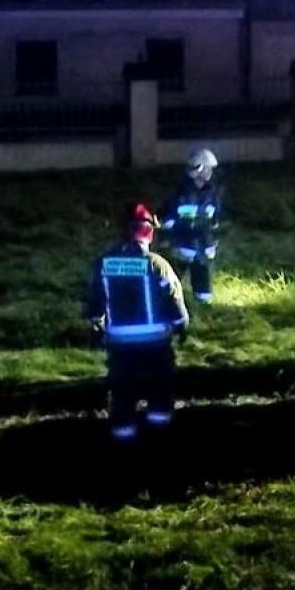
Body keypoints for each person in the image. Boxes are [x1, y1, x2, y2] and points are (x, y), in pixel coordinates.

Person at [85, 203, 189, 441]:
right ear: (149, 232)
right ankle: (160, 429)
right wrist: (182, 323)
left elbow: (96, 299)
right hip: (156, 342)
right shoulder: (156, 264)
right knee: (160, 385)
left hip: (119, 342)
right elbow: (172, 295)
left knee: (122, 388)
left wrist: (95, 325)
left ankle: (123, 433)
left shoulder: (104, 263)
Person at [161, 147, 223, 305]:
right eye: (207, 168)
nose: (209, 172)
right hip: (183, 245)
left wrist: (213, 238)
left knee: (203, 282)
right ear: (198, 169)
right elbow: (167, 218)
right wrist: (168, 240)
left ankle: (202, 306)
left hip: (204, 246)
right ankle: (166, 304)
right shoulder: (180, 193)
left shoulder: (213, 192)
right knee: (171, 279)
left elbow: (216, 219)